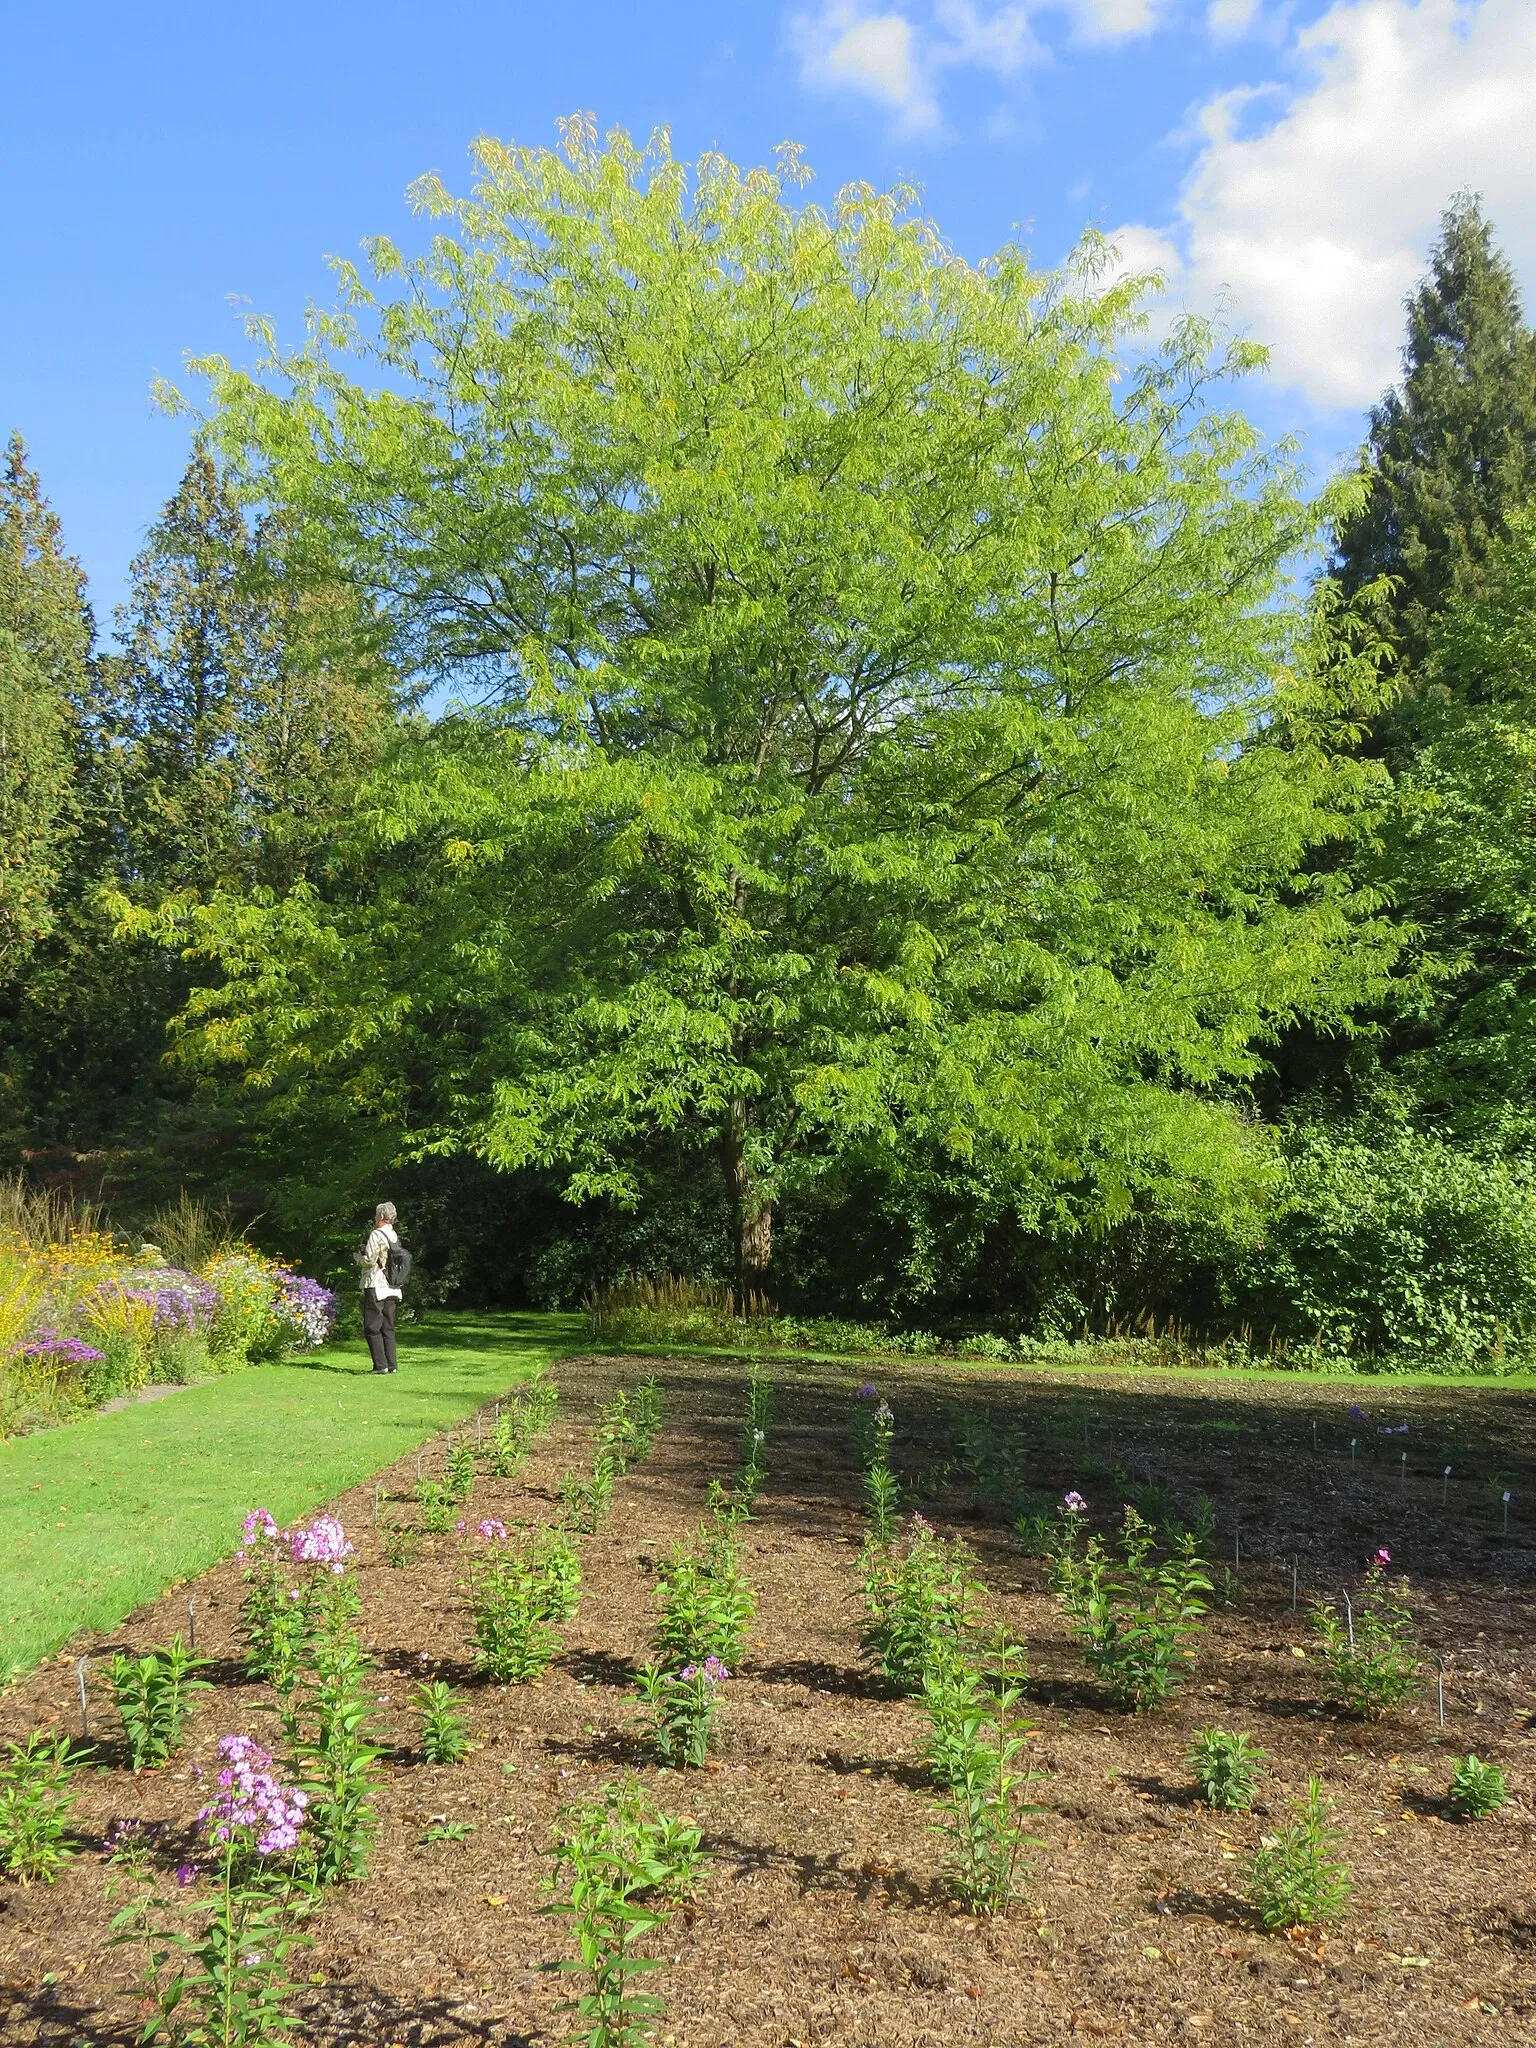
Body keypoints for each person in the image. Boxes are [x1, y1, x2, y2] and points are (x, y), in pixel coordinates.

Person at [360, 1201, 403, 1374]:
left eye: (377, 1214)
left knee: (372, 1326)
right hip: (393, 1285)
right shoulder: (394, 1235)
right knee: (388, 1326)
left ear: (382, 1216)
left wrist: (358, 1258)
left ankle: (380, 1365)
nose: (375, 1217)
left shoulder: (376, 1234)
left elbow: (370, 1261)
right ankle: (391, 1365)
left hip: (376, 1283)